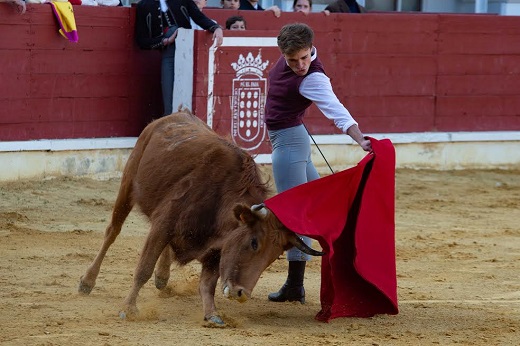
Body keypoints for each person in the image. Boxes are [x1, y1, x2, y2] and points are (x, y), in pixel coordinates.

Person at [264, 23, 371, 304]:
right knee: (313, 210)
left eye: (304, 58)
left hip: (289, 143)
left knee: (296, 214)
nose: (300, 65)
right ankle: (340, 270)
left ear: (312, 49)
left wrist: (360, 140)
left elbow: (338, 112)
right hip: (292, 138)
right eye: (292, 60)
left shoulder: (314, 79)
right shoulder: (292, 51)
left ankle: (295, 285)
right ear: (284, 54)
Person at [135, 0, 224, 117]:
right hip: (168, 51)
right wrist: (165, 41)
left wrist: (215, 27)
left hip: (187, 48)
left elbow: (198, 17)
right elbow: (142, 40)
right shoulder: (144, 5)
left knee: (190, 91)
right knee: (169, 97)